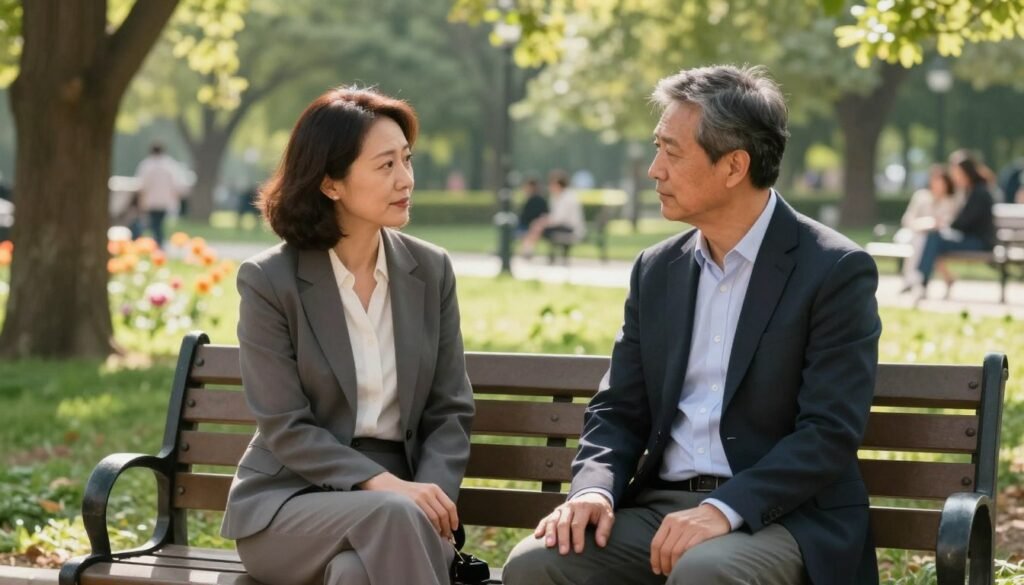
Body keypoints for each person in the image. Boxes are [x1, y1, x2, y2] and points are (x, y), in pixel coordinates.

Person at [504, 65, 882, 585]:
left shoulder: (834, 270)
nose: (654, 170)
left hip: (781, 515)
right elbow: (619, 408)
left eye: (672, 152)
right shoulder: (657, 269)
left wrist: (723, 509)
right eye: (656, 149)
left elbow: (828, 432)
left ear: (734, 166)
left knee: (705, 571)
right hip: (659, 508)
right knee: (535, 564)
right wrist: (594, 489)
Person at [219, 87, 475, 585]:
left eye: (407, 160)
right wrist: (386, 488)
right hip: (289, 502)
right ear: (331, 183)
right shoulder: (270, 281)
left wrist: (430, 496)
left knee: (355, 574)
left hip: (405, 501)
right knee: (392, 515)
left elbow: (450, 410)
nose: (406, 179)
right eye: (386, 165)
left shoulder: (430, 270)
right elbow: (284, 424)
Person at [915, 150, 996, 300]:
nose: (954, 177)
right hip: (971, 238)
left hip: (980, 242)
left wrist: (945, 225)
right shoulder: (971, 190)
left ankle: (922, 280)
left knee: (934, 238)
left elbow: (964, 222)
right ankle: (924, 280)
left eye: (956, 173)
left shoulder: (979, 192)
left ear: (966, 172)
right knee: (934, 238)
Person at [895, 165, 962, 293]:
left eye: (941, 183)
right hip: (915, 232)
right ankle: (923, 279)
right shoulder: (921, 196)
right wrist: (921, 224)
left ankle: (913, 279)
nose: (938, 186)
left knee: (926, 242)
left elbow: (948, 222)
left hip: (934, 236)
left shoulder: (950, 201)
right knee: (920, 241)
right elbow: (908, 218)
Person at [519, 170, 586, 258]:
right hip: (562, 226)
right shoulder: (556, 197)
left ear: (557, 184)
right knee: (538, 224)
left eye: (551, 184)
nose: (550, 187)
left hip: (571, 228)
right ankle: (528, 248)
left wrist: (545, 221)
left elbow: (560, 219)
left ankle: (528, 249)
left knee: (538, 225)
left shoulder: (568, 197)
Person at [134, 143, 186, 248]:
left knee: (154, 223)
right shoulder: (170, 165)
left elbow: (142, 185)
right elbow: (177, 185)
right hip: (165, 201)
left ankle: (156, 243)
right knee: (157, 223)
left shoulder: (146, 165)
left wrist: (141, 200)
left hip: (151, 201)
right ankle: (158, 243)